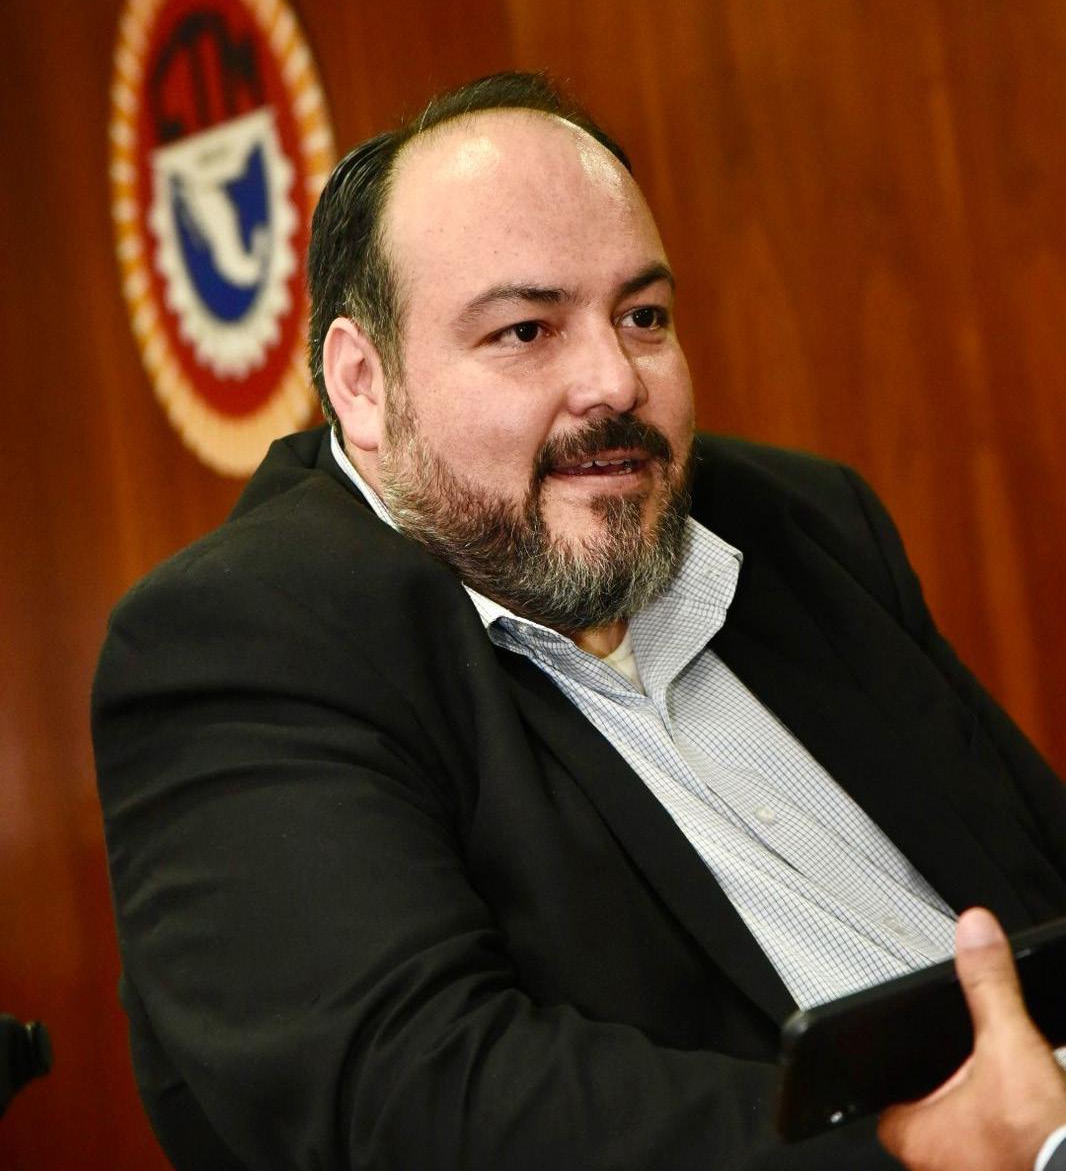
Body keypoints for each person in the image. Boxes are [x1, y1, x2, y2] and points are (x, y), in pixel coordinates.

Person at [92, 72, 1066, 1171]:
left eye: (643, 317)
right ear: (362, 385)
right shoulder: (240, 645)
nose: (614, 382)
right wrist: (915, 1146)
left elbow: (1039, 870)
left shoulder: (802, 525)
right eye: (525, 330)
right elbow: (422, 1096)